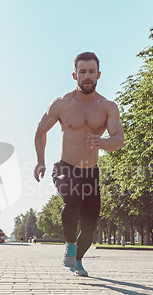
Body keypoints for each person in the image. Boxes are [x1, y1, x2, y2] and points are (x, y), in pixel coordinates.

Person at [33, 52, 124, 276]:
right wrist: (40, 161)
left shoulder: (107, 107)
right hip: (66, 168)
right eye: (82, 71)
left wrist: (103, 142)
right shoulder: (62, 104)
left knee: (91, 228)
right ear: (75, 74)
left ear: (98, 75)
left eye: (91, 72)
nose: (87, 76)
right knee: (72, 200)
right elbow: (40, 131)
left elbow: (118, 140)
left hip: (91, 173)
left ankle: (77, 258)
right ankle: (70, 245)